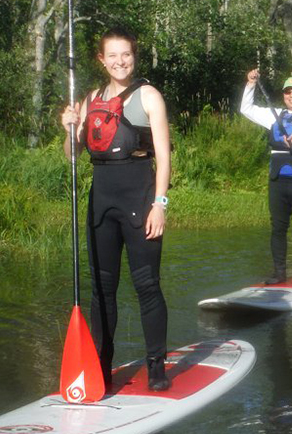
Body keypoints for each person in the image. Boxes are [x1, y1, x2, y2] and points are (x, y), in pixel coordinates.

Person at [61, 27, 172, 391]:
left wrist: (160, 205)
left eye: (126, 55)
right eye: (112, 55)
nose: (120, 61)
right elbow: (73, 156)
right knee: (101, 290)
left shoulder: (149, 95)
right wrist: (69, 129)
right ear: (101, 59)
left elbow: (165, 158)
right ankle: (101, 369)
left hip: (140, 198)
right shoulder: (89, 98)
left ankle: (156, 366)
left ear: (134, 56)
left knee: (146, 285)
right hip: (101, 203)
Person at [240, 69, 292, 286]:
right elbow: (246, 109)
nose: (291, 96)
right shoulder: (274, 114)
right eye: (288, 92)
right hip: (278, 182)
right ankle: (279, 273)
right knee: (278, 228)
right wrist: (250, 85)